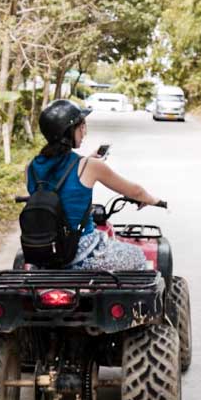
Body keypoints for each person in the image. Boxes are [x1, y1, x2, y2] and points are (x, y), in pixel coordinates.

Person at [27, 99, 163, 271]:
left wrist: (86, 160)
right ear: (70, 131)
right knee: (137, 256)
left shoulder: (31, 167)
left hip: (44, 252)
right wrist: (152, 199)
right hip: (82, 252)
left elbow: (59, 173)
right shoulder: (89, 166)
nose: (84, 132)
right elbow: (135, 191)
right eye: (82, 126)